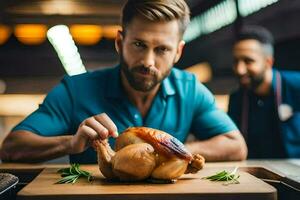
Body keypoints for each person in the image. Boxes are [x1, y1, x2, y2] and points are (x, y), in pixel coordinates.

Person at [0, 0, 247, 163]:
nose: (148, 61)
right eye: (139, 45)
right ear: (120, 43)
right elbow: (11, 146)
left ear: (178, 53)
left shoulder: (190, 89)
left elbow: (236, 146)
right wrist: (71, 143)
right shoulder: (75, 91)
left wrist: (167, 150)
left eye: (162, 49)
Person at [228, 25, 300, 159]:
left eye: (248, 61)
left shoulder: (296, 86)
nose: (239, 69)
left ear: (268, 62)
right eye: (236, 61)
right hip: (255, 172)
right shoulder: (236, 99)